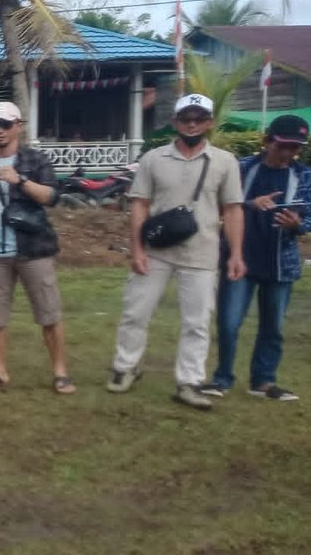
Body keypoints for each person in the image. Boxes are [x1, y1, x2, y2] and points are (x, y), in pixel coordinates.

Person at [109, 94, 245, 410]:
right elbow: (140, 205)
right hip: (156, 250)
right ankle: (125, 366)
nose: (192, 124)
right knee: (136, 311)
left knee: (197, 322)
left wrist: (236, 254)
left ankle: (189, 381)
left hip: (202, 253)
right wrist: (137, 249)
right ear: (175, 122)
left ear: (209, 122)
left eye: (199, 118)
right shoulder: (154, 159)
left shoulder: (225, 161)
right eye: (186, 118)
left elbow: (233, 209)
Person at [0, 102, 71, 393]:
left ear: (18, 126)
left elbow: (51, 196)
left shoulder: (35, 160)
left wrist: (19, 180)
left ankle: (60, 372)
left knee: (49, 312)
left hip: (34, 248)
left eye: (5, 125)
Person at [201, 115, 308, 402]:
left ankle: (263, 381)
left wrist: (297, 225)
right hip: (241, 258)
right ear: (267, 141)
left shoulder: (304, 175)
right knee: (229, 322)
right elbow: (219, 205)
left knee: (273, 327)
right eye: (283, 145)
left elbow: (308, 216)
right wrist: (250, 204)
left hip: (281, 263)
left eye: (295, 147)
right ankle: (222, 378)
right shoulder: (242, 167)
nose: (288, 153)